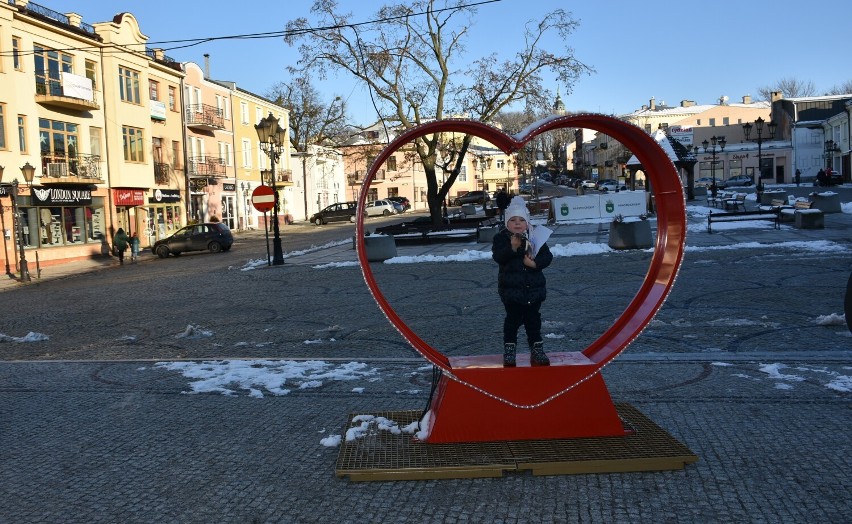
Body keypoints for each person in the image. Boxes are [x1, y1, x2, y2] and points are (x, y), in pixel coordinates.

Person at [491, 196, 553, 367]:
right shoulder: (501, 239)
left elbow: (547, 257)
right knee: (512, 321)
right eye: (512, 220)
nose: (517, 223)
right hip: (512, 291)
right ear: (506, 223)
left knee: (533, 321)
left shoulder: (534, 238)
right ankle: (510, 350)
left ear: (527, 223)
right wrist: (512, 248)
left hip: (534, 290)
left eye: (521, 220)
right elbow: (498, 257)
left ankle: (537, 349)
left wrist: (533, 263)